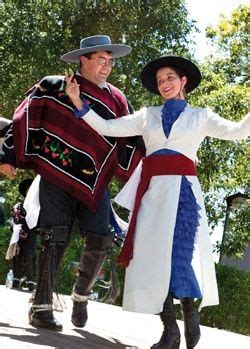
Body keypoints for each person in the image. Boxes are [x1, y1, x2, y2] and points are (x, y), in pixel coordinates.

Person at [66, 54, 250, 349]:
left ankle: (189, 315)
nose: (164, 83)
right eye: (160, 80)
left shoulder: (200, 116)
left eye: (170, 78)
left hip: (182, 194)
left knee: (177, 256)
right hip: (151, 195)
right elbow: (106, 126)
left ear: (183, 81)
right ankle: (170, 330)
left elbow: (240, 132)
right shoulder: (146, 115)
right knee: (152, 260)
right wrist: (77, 101)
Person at [2, 35, 144, 331]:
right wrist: (8, 155)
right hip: (55, 173)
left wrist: (156, 166)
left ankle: (80, 295)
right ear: (85, 59)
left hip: (95, 182)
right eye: (101, 60)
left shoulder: (117, 99)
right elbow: (23, 116)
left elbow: (132, 136)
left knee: (101, 237)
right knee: (54, 236)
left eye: (110, 61)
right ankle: (41, 308)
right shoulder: (54, 86)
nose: (107, 66)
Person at [6, 178, 37, 292]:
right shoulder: (18, 206)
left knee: (29, 256)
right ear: (25, 191)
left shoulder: (36, 207)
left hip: (31, 234)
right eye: (28, 189)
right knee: (16, 255)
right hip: (17, 234)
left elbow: (39, 222)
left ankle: (30, 281)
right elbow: (11, 219)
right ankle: (16, 279)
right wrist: (13, 226)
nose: (30, 191)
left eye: (32, 189)